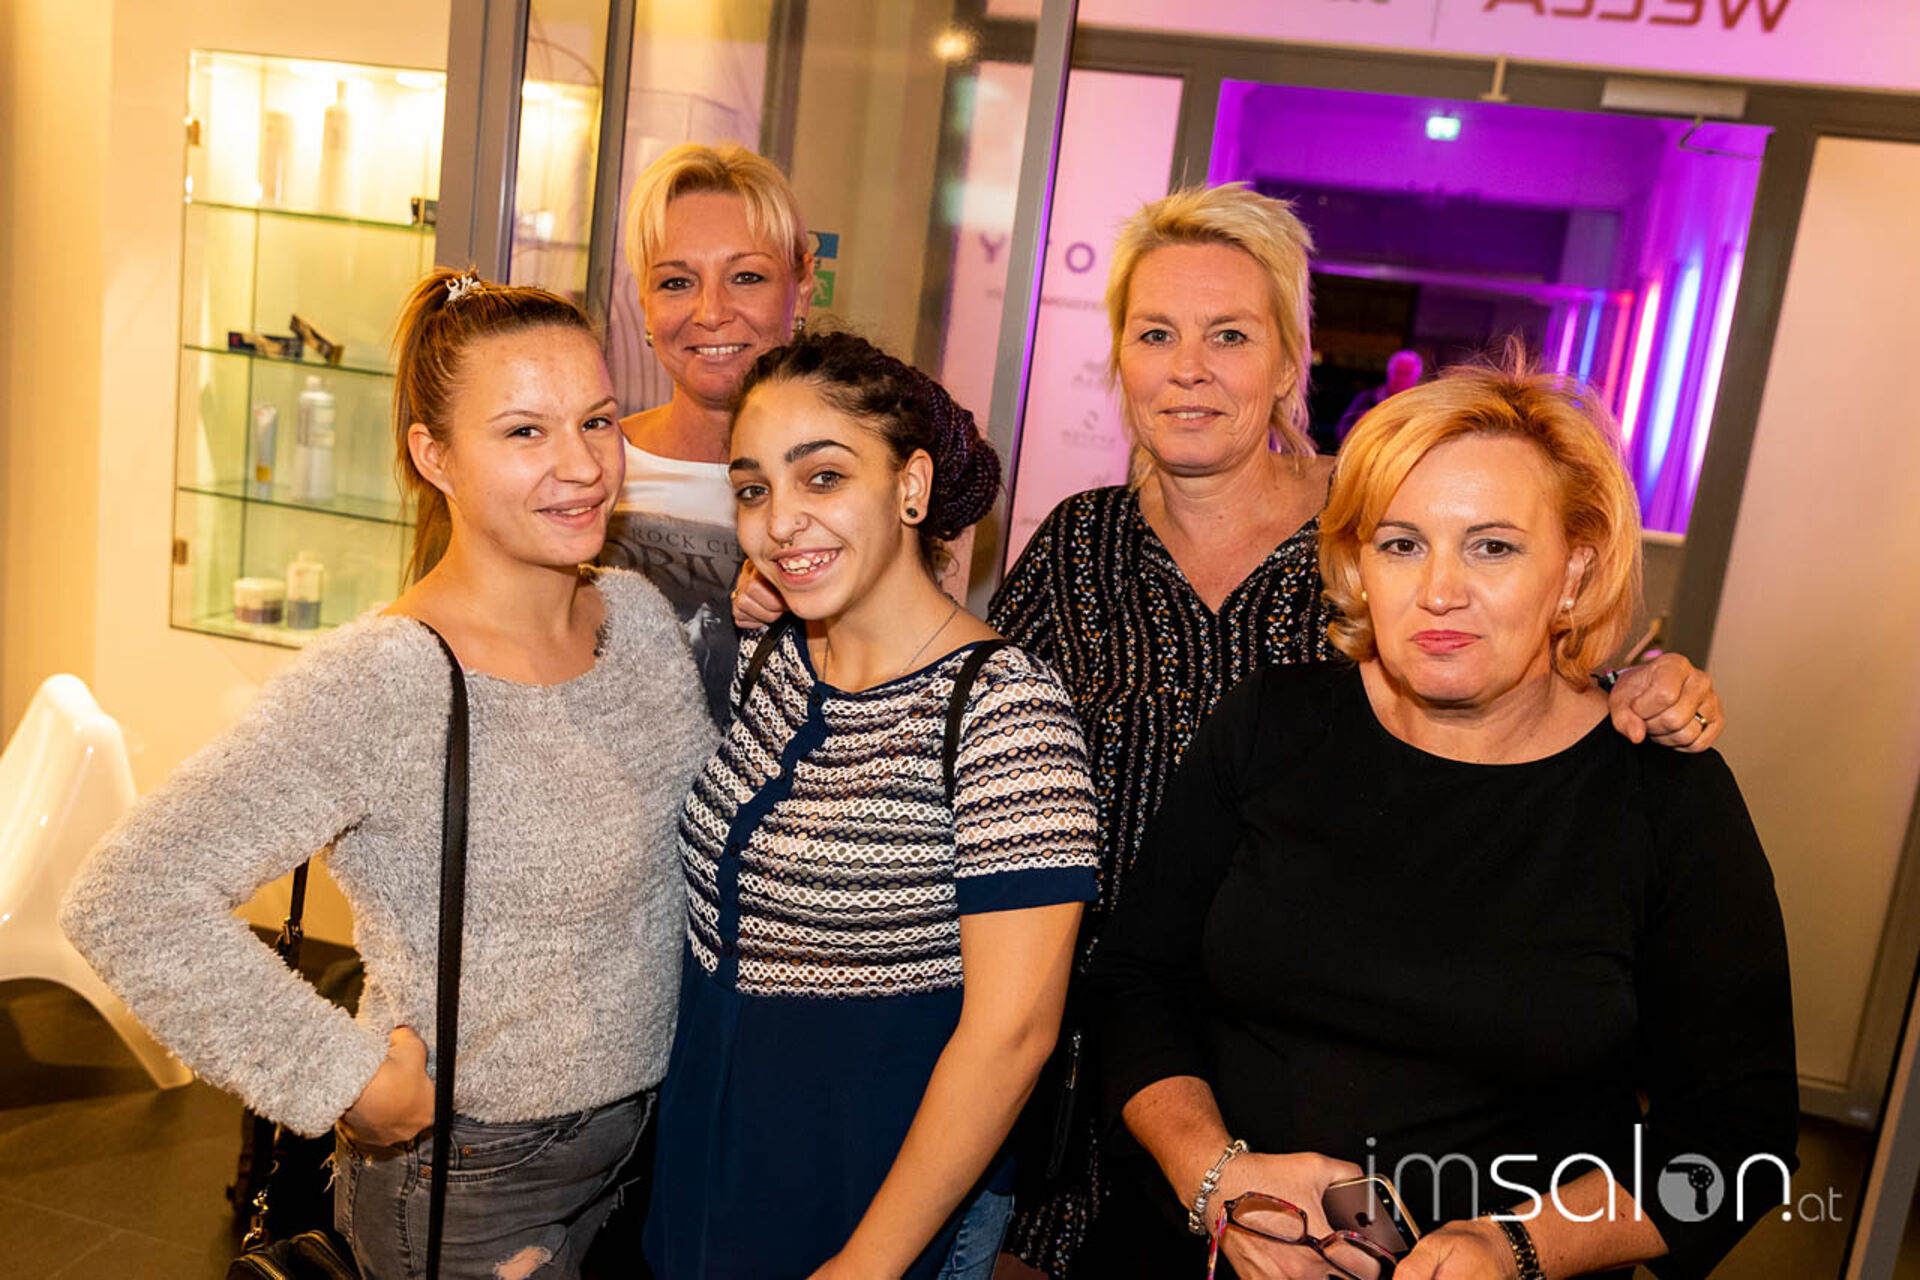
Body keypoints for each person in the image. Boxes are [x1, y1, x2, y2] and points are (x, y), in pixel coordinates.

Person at [729, 183, 1723, 1275]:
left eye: (1231, 335)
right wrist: (815, 586)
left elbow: (1509, 680)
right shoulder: (1080, 545)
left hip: (1302, 1047)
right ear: (1120, 360)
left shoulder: (1380, 530)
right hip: (1085, 1036)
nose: (1188, 368)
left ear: (1292, 360)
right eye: (1155, 334)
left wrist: (1632, 684)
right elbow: (954, 703)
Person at [61, 268, 715, 1280]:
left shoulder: (633, 619)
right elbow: (128, 896)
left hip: (649, 1142)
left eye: (596, 420)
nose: (583, 464)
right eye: (525, 431)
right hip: (477, 1178)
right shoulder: (387, 679)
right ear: (432, 455)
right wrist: (345, 1079)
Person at [1084, 354, 1797, 1279]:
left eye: (1493, 547)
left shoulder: (1662, 797)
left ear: (1573, 571)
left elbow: (1739, 1140)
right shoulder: (1270, 726)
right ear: (1358, 565)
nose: (1440, 590)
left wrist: (1519, 1249)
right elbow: (1137, 983)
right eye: (1401, 544)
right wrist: (1214, 1178)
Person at [643, 330, 1099, 1279]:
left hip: (872, 1193)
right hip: (714, 1161)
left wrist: (871, 1262)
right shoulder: (775, 658)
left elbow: (1013, 1035)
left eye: (823, 478)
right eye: (754, 489)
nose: (780, 522)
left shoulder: (1004, 710)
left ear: (911, 486)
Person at [604, 141, 814, 725]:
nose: (711, 311)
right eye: (676, 283)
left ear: (802, 284)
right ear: (644, 301)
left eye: (746, 277)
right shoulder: (592, 468)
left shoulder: (860, 481)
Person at [1331, 347, 1423, 448]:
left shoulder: (1418, 408)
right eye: (1397, 372)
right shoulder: (1366, 398)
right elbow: (1341, 430)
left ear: (1416, 377)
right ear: (1389, 372)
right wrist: (1360, 425)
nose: (1400, 378)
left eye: (1406, 374)